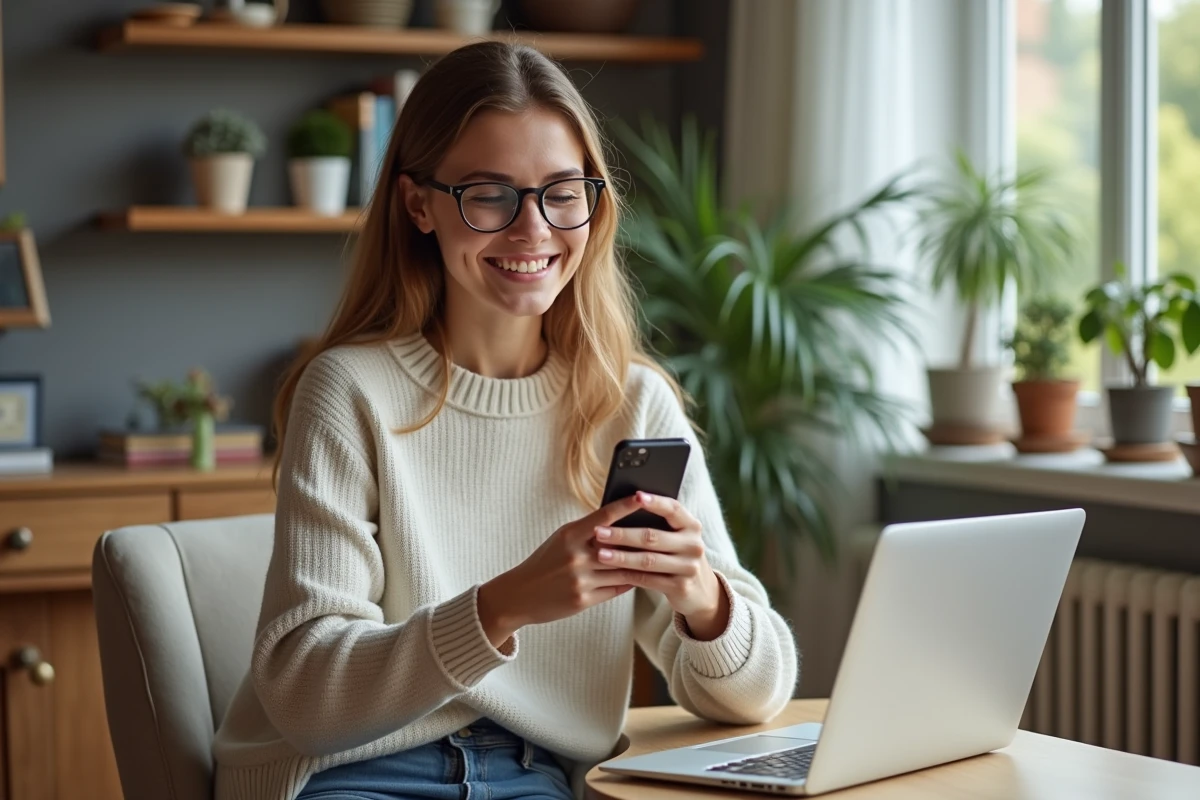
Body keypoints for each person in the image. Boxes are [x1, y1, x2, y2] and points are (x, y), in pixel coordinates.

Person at [212, 40, 798, 800]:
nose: (534, 232)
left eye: (562, 192)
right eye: (490, 195)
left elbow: (757, 695)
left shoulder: (632, 403)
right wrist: (507, 604)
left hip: (533, 778)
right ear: (418, 204)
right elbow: (304, 698)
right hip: (351, 772)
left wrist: (704, 599)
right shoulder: (349, 392)